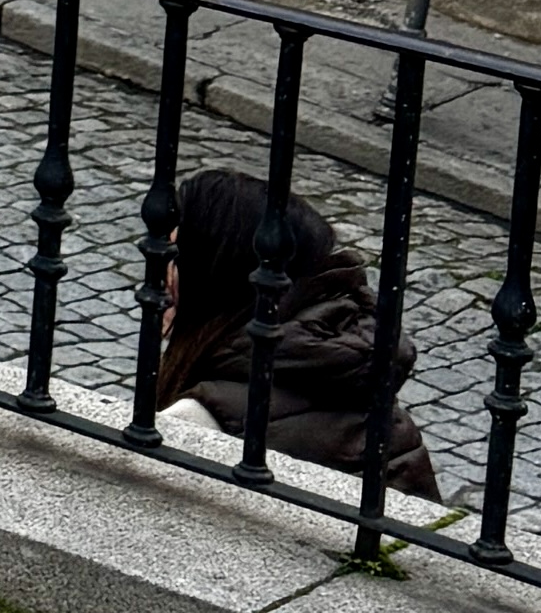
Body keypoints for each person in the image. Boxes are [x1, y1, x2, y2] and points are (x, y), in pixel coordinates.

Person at [151, 163, 438, 495]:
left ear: (216, 275)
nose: (160, 272)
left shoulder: (198, 422)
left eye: (174, 256)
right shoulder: (357, 379)